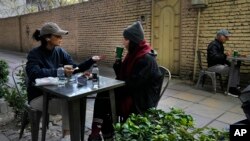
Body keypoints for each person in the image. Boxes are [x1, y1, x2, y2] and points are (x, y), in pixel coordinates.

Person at [25, 22, 103, 141]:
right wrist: (60, 71)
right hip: (38, 98)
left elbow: (74, 68)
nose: (61, 38)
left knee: (74, 100)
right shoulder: (34, 54)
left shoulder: (60, 51)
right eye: (58, 36)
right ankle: (68, 136)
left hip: (55, 95)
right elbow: (34, 73)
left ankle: (69, 135)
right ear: (47, 38)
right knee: (70, 102)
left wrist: (91, 61)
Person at [88, 21, 163, 141]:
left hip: (141, 100)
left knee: (105, 97)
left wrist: (112, 87)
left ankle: (102, 134)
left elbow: (132, 84)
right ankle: (101, 134)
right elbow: (123, 78)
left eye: (126, 39)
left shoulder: (146, 59)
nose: (123, 43)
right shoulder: (134, 54)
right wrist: (118, 62)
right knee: (104, 95)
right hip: (135, 92)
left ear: (133, 41)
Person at [207, 29, 241, 97]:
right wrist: (225, 55)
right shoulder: (213, 44)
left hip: (218, 64)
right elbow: (214, 57)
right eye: (226, 37)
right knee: (233, 69)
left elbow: (222, 58)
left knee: (235, 67)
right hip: (213, 66)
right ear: (220, 36)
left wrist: (229, 63)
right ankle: (231, 90)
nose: (227, 39)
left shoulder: (220, 44)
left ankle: (234, 86)